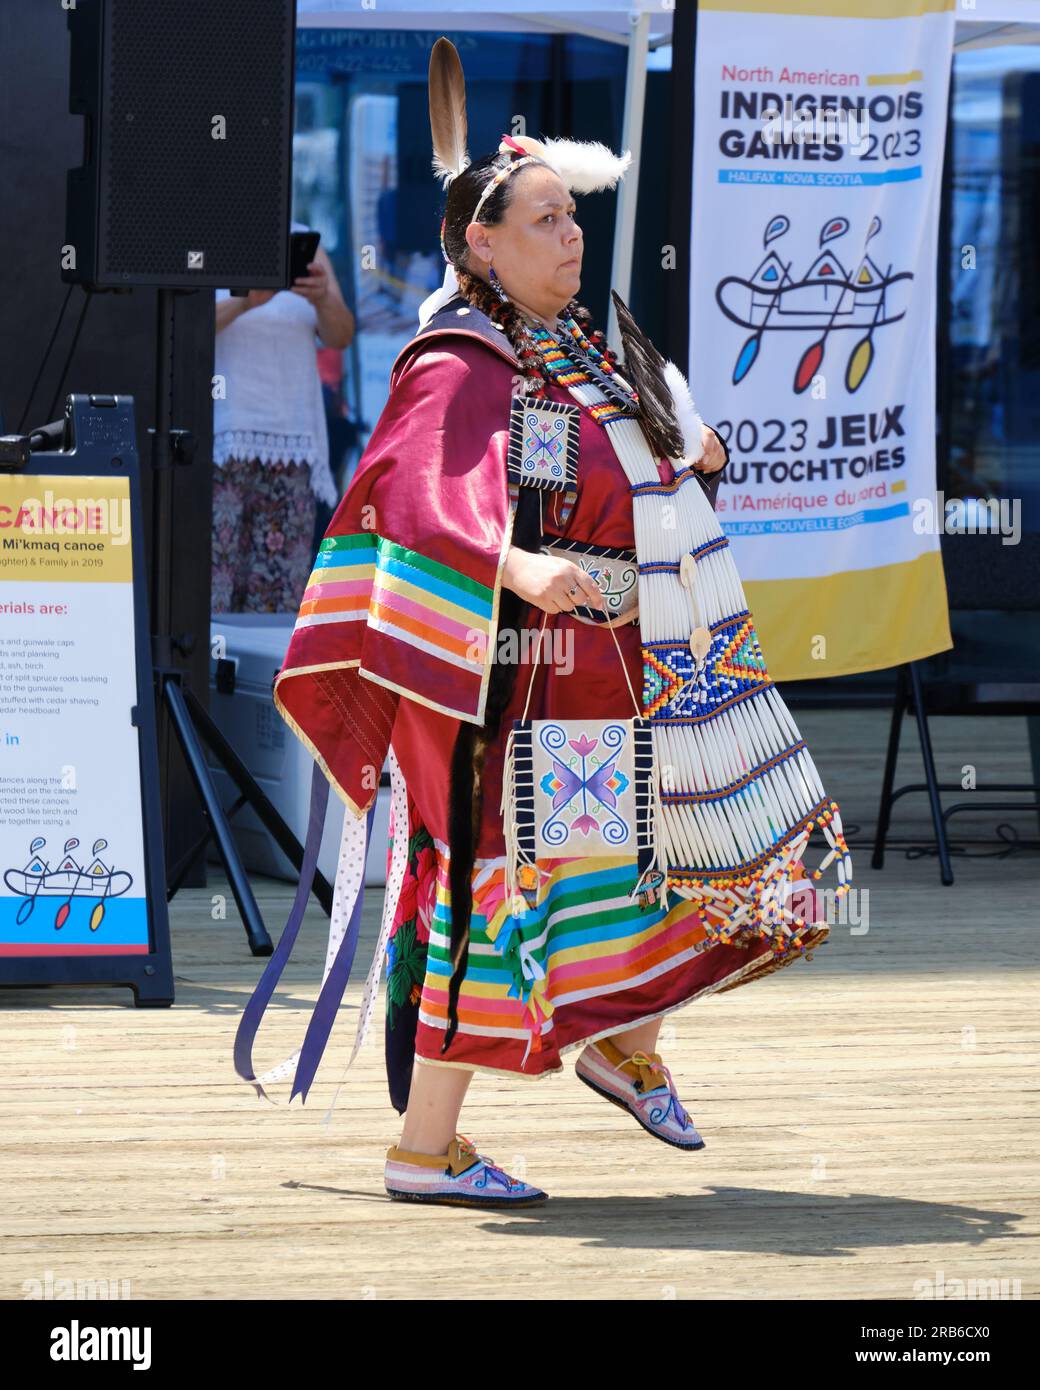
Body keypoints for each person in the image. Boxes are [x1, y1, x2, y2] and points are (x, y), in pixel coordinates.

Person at [244, 40, 850, 1209]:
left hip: (626, 678)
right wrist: (515, 564)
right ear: (482, 242)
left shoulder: (595, 345)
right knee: (497, 894)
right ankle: (425, 1148)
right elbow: (404, 499)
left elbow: (676, 452)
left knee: (662, 859)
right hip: (515, 692)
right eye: (541, 221)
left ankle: (623, 1044)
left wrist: (690, 447)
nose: (570, 236)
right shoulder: (462, 356)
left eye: (572, 218)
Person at [211, 221, 355, 613]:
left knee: (277, 595)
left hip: (293, 446)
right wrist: (245, 302)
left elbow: (341, 335)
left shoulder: (301, 239)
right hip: (220, 445)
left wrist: (324, 298)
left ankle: (266, 676)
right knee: (212, 587)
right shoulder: (206, 233)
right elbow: (185, 327)